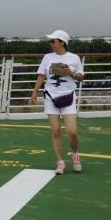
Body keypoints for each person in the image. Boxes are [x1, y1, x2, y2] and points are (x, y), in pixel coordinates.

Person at [29, 30, 84, 174]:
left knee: (72, 132)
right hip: (50, 97)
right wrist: (34, 92)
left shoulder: (74, 58)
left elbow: (81, 77)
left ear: (62, 42)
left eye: (53, 41)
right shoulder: (47, 57)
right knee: (56, 131)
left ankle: (75, 154)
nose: (51, 44)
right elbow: (41, 76)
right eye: (51, 41)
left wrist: (70, 72)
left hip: (68, 97)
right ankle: (60, 161)